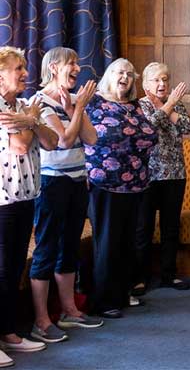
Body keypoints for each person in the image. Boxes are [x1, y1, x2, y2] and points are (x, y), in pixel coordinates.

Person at [29, 47, 103, 345]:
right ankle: (41, 321)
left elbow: (92, 138)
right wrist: (80, 109)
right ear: (53, 68)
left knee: (69, 247)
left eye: (76, 62)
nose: (77, 67)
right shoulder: (40, 101)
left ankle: (69, 310)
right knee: (46, 249)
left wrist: (76, 108)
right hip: (51, 183)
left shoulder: (73, 100)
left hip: (77, 180)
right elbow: (64, 139)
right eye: (70, 63)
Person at [85, 58, 158, 319]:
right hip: (105, 184)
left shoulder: (135, 106)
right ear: (109, 75)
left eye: (129, 73)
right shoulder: (94, 102)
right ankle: (103, 301)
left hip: (136, 185)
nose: (124, 77)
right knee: (108, 243)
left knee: (128, 244)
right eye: (119, 72)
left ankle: (121, 294)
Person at [0, 47, 57, 364]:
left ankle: (9, 333)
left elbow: (51, 141)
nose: (25, 73)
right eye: (18, 68)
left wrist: (31, 120)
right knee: (0, 269)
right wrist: (32, 122)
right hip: (2, 200)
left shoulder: (24, 107)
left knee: (12, 269)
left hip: (25, 196)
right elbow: (21, 146)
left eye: (24, 67)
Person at [132, 63, 190, 296]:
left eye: (165, 80)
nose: (162, 84)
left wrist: (168, 106)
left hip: (175, 174)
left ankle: (169, 274)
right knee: (143, 228)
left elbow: (186, 126)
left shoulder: (178, 105)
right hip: (147, 175)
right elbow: (149, 128)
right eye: (156, 80)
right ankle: (140, 277)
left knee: (170, 228)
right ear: (145, 84)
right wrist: (166, 105)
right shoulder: (138, 106)